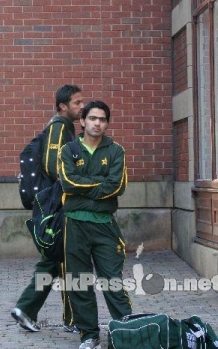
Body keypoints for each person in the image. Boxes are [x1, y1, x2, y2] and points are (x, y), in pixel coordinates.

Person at [58, 100, 132, 349]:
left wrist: (85, 191)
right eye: (92, 118)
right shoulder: (68, 150)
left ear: (107, 123)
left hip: (105, 225)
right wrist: (99, 187)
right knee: (79, 282)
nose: (97, 123)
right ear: (82, 121)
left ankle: (126, 331)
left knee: (113, 280)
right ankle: (89, 335)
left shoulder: (116, 151)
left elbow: (117, 186)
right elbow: (68, 183)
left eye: (102, 119)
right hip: (75, 225)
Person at [11, 84, 84, 333]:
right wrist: (74, 181)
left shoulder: (66, 128)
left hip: (57, 204)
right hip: (58, 204)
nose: (81, 106)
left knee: (56, 259)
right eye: (77, 103)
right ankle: (63, 317)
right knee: (62, 258)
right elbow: (54, 165)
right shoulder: (59, 127)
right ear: (63, 106)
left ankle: (30, 309)